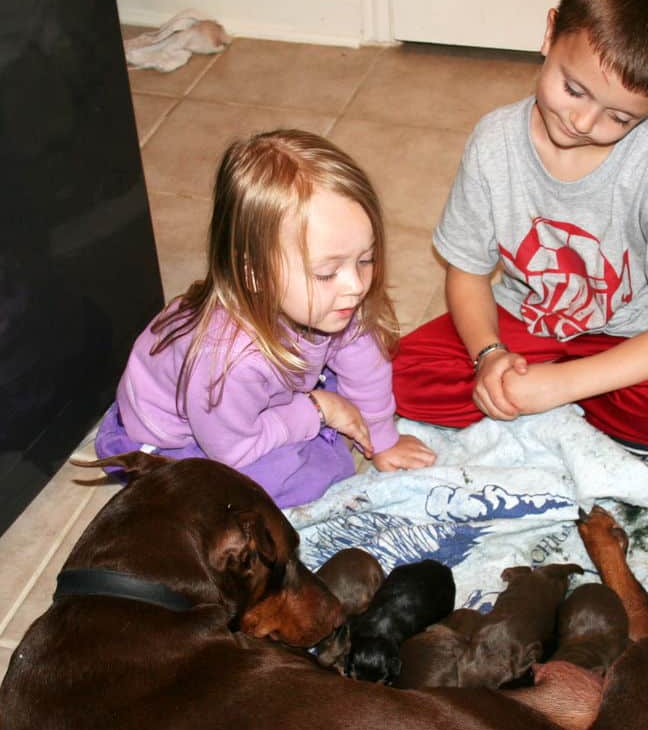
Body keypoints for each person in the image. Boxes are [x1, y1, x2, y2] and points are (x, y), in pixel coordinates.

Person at [392, 0, 648, 455]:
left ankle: (557, 391)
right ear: (550, 33)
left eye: (618, 116)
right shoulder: (493, 143)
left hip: (623, 339)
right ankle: (542, 390)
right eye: (574, 89)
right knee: (397, 379)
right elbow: (467, 272)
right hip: (523, 323)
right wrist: (489, 355)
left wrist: (562, 385)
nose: (583, 122)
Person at [96, 129, 436, 507]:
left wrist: (381, 438)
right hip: (184, 438)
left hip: (245, 405)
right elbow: (234, 452)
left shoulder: (335, 301)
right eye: (326, 272)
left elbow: (366, 365)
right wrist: (317, 410)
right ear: (254, 274)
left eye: (365, 259)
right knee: (300, 481)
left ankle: (300, 414)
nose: (355, 286)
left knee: (373, 381)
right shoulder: (228, 362)